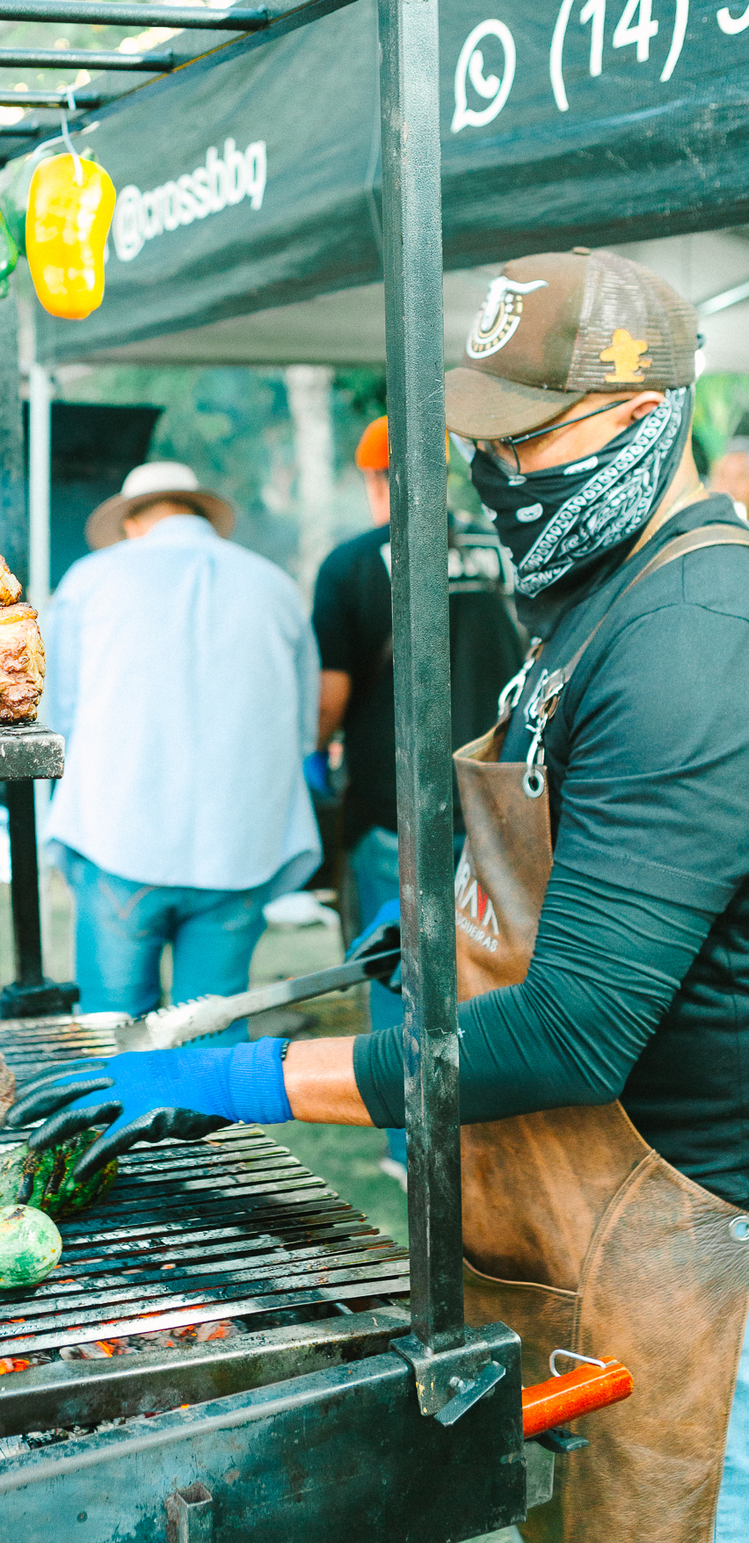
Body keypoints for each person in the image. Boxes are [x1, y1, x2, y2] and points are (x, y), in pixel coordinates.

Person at [15, 249, 749, 1543]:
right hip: (548, 1209)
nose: (495, 474)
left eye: (524, 442)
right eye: (483, 443)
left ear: (644, 418)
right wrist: (450, 923)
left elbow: (573, 1032)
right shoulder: (602, 588)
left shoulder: (694, 635)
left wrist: (239, 1079)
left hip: (651, 1231)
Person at [311, 413, 524, 1182]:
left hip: (397, 802)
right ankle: (490, 1134)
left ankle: (409, 1144)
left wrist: (313, 751)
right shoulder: (502, 548)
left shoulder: (350, 565)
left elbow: (330, 699)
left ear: (375, 478)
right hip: (500, 801)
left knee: (397, 967)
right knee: (493, 965)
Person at [41, 460, 321, 1033]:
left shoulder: (90, 580)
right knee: (209, 1031)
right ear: (199, 514)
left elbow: (54, 719)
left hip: (117, 838)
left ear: (132, 523)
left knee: (114, 1029)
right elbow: (302, 729)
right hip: (240, 846)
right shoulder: (275, 585)